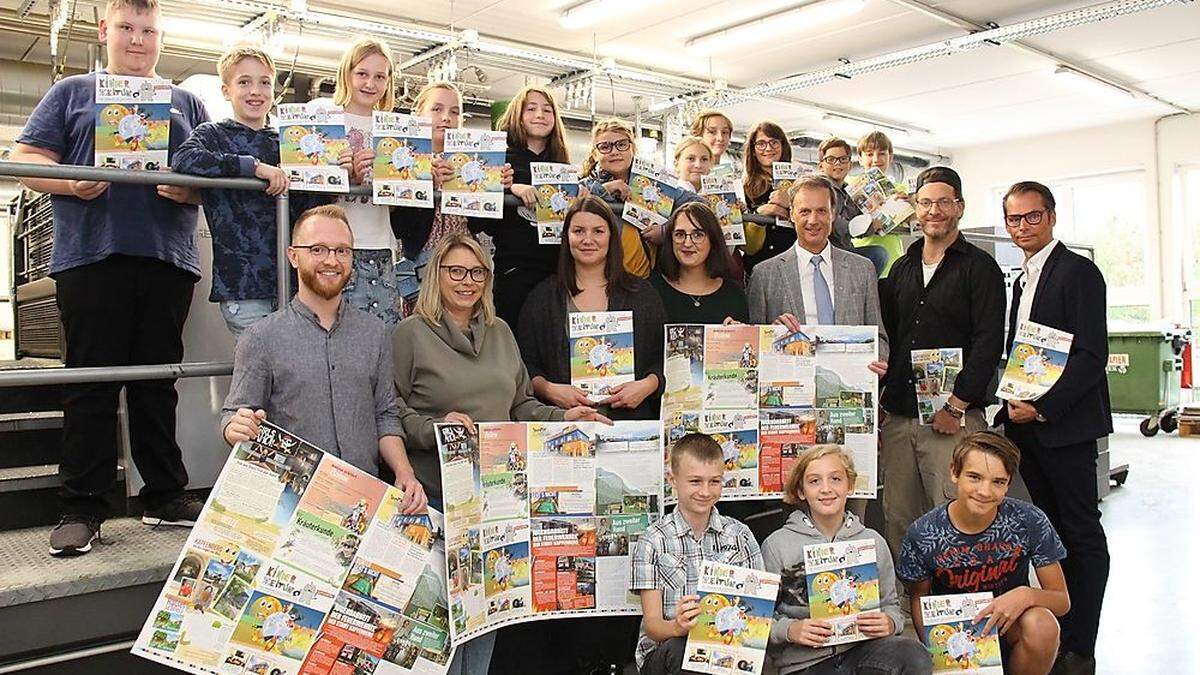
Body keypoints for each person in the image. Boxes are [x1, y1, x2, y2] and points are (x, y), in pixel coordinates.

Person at [12, 0, 211, 556]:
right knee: (91, 385)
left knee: (157, 383)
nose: (138, 40)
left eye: (149, 30)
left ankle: (164, 494)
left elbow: (210, 178)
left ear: (161, 37)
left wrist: (190, 189)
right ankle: (82, 505)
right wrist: (73, 182)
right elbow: (26, 158)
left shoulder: (187, 101)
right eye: (127, 27)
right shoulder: (72, 92)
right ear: (105, 31)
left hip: (167, 258)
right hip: (90, 257)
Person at [391, 233, 607, 675]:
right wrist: (434, 430)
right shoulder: (410, 334)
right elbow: (390, 410)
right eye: (456, 271)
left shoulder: (500, 331)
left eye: (476, 272)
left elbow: (520, 406)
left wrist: (563, 419)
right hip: (436, 499)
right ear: (436, 275)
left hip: (495, 499)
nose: (466, 281)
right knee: (437, 624)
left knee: (484, 614)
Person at [221, 205, 427, 514]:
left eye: (342, 251)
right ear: (293, 256)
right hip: (292, 505)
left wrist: (405, 473)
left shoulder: (376, 333)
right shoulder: (261, 337)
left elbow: (385, 414)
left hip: (362, 500)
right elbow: (234, 416)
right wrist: (233, 428)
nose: (331, 260)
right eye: (317, 249)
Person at [995, 181, 1110, 674]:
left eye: (1032, 217)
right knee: (1050, 537)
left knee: (1081, 533)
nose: (1023, 227)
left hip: (1064, 426)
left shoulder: (1079, 273)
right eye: (1014, 220)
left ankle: (1081, 644)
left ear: (1052, 216)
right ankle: (1057, 633)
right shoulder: (1020, 279)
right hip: (1027, 430)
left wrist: (1042, 408)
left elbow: (1091, 356)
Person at [877, 166, 1005, 560]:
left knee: (955, 516)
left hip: (953, 419)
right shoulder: (901, 267)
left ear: (960, 208)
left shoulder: (980, 268)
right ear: (915, 208)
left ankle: (955, 608)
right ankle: (906, 608)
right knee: (899, 517)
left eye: (944, 202)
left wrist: (956, 405)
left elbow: (988, 345)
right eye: (926, 202)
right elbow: (891, 338)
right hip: (900, 418)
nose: (934, 211)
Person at [172, 44, 325, 338]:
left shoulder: (290, 140)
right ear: (226, 90)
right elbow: (185, 159)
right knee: (261, 371)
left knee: (295, 374)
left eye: (265, 82)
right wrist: (253, 167)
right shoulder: (212, 134)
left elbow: (314, 203)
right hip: (243, 284)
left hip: (296, 283)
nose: (255, 91)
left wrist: (332, 167)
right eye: (244, 82)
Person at [898, 432, 1070, 675]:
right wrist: (935, 650)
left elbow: (1061, 601)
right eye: (974, 477)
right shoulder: (922, 533)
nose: (985, 491)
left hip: (1011, 629)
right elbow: (919, 597)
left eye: (998, 482)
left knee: (1043, 625)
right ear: (954, 473)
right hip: (955, 637)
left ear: (1009, 483)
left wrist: (1025, 595)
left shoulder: (1029, 520)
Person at [762, 445, 928, 675]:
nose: (826, 489)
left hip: (864, 650)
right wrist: (789, 630)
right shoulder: (776, 545)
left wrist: (890, 622)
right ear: (801, 491)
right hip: (805, 663)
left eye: (836, 479)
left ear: (849, 486)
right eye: (814, 481)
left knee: (913, 653)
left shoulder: (873, 541)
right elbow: (760, 619)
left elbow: (891, 605)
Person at [517, 195, 666, 422]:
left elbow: (664, 358)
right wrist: (548, 390)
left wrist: (648, 385)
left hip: (631, 428)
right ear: (566, 237)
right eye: (578, 231)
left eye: (598, 231)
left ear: (611, 237)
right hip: (568, 428)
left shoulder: (642, 294)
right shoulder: (542, 298)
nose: (588, 239)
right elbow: (525, 364)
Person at [630, 433, 763, 675]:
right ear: (673, 479)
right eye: (695, 481)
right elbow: (653, 626)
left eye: (714, 482)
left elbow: (760, 608)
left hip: (727, 644)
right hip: (668, 649)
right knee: (684, 651)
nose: (705, 491)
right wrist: (677, 627)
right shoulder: (652, 540)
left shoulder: (740, 535)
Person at [389, 82, 513, 316]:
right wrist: (425, 183)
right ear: (419, 115)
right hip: (422, 276)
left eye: (454, 111)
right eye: (436, 109)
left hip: (467, 271)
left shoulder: (474, 161)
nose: (446, 117)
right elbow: (400, 227)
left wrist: (498, 187)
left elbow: (483, 226)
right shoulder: (405, 161)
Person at [332, 38, 404, 326]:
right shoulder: (326, 118)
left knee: (382, 338)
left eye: (379, 76)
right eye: (362, 73)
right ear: (346, 73)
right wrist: (345, 178)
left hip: (380, 244)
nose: (370, 83)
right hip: (333, 243)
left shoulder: (397, 129)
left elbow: (400, 204)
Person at [492, 85, 574, 330]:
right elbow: (479, 223)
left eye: (547, 110)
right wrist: (508, 188)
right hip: (515, 270)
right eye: (531, 109)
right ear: (517, 115)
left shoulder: (563, 166)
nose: (540, 115)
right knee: (515, 341)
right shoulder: (501, 161)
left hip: (557, 271)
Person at [578, 118, 654, 278]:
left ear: (632, 148)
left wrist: (665, 229)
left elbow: (693, 202)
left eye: (622, 144)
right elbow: (566, 205)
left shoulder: (652, 184)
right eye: (605, 147)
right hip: (597, 280)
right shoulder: (584, 186)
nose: (614, 152)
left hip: (645, 282)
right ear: (594, 153)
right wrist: (602, 191)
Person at [651, 202, 748, 325]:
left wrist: (738, 335)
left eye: (697, 235)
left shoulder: (734, 295)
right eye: (679, 235)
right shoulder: (651, 291)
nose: (687, 243)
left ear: (713, 239)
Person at [849, 131, 909, 278]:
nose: (876, 159)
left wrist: (910, 205)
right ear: (860, 158)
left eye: (882, 153)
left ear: (891, 157)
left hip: (894, 258)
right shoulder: (849, 186)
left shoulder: (900, 190)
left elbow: (914, 225)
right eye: (869, 154)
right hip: (863, 255)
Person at [740, 121, 795, 274]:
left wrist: (792, 203)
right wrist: (760, 214)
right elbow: (746, 246)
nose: (768, 148)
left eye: (774, 142)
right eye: (761, 144)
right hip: (759, 266)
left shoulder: (801, 183)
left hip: (794, 264)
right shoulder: (743, 188)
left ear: (783, 146)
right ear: (752, 150)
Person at [689, 109, 735, 174]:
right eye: (712, 132)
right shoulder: (687, 175)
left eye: (724, 132)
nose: (720, 138)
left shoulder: (730, 176)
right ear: (698, 136)